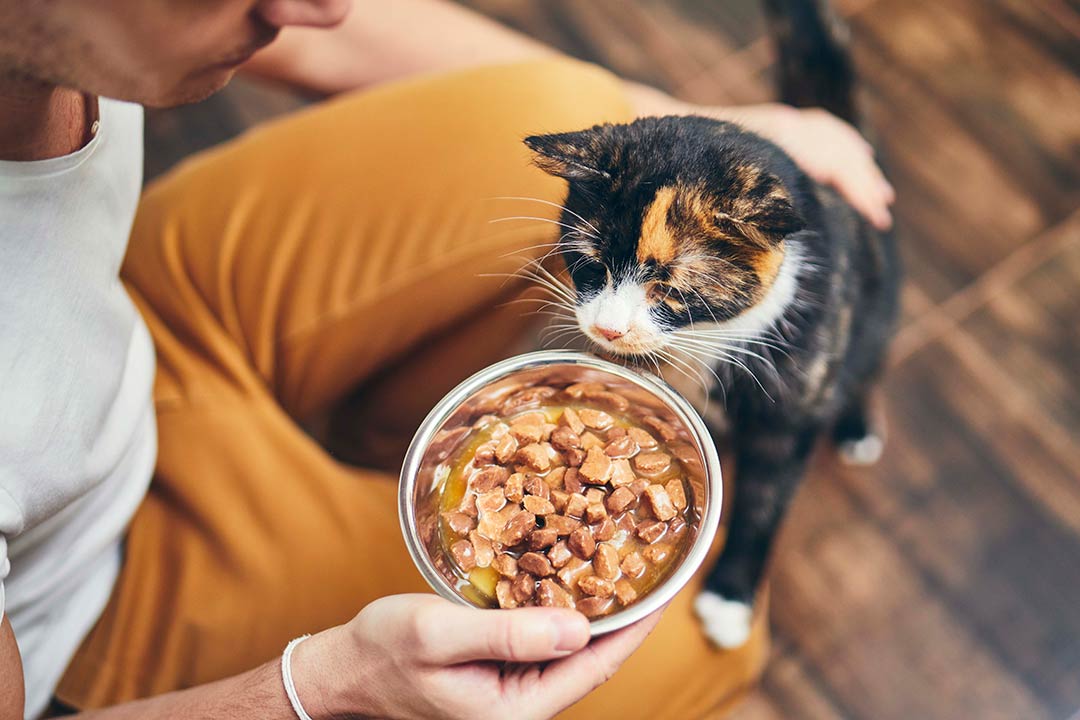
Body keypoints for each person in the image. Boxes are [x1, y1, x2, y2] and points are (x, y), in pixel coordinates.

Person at [0, 1, 894, 718]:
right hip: (87, 592)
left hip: (127, 312)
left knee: (547, 95)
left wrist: (703, 135)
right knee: (694, 651)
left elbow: (340, 39)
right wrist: (327, 690)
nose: (321, 3)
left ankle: (370, 431)